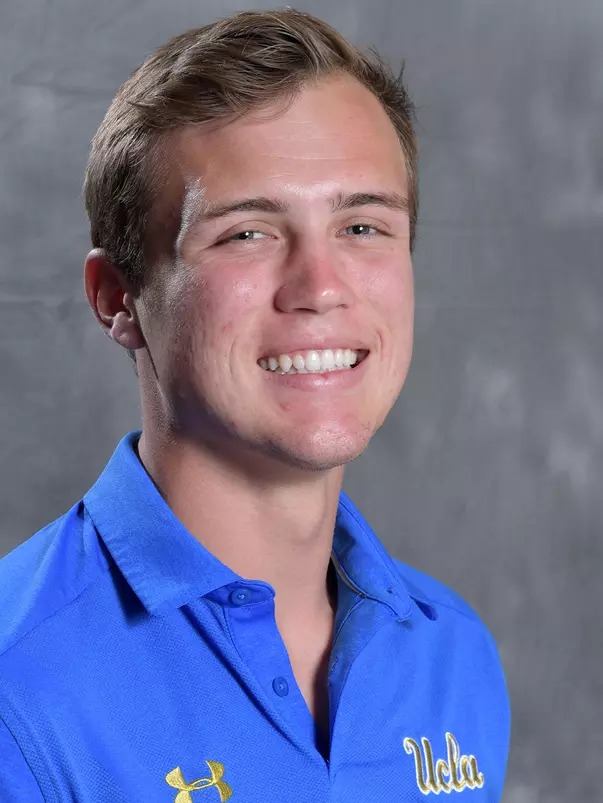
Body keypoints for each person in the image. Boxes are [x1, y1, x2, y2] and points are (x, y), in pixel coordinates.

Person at [0, 9, 510, 802]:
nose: (320, 288)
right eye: (246, 233)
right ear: (117, 299)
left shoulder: (453, 659)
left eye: (362, 225)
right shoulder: (17, 686)